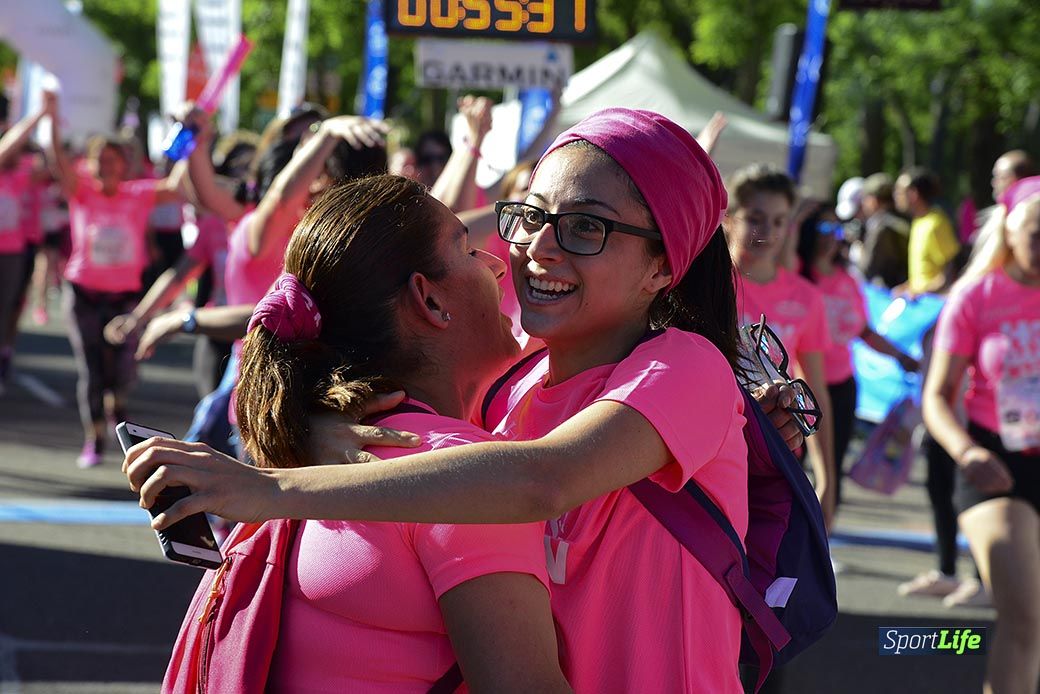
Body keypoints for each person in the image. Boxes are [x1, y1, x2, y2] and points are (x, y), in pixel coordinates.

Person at [127, 108, 770, 692]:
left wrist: (274, 488)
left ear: (663, 266)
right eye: (532, 216)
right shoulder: (514, 385)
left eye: (585, 228)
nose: (537, 247)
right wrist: (320, 424)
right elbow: (429, 441)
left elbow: (543, 480)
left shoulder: (686, 366)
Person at [178, 175, 567, 691]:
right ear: (430, 301)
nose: (497, 264)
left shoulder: (317, 450)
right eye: (468, 250)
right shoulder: (460, 478)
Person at [922, 176, 1040, 694]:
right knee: (1024, 616)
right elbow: (936, 396)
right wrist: (966, 451)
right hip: (994, 464)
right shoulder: (976, 296)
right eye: (1037, 233)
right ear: (1009, 229)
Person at [44, 91, 187, 467]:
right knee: (92, 370)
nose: (105, 165)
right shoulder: (81, 193)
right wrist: (52, 117)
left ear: (124, 164)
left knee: (122, 373)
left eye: (112, 159)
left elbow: (177, 186)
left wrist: (190, 140)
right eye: (99, 159)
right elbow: (56, 158)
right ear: (90, 164)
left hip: (124, 299)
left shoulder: (138, 194)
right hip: (84, 294)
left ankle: (117, 406)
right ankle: (94, 438)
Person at [722, 163, 836, 528]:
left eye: (778, 221)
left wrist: (827, 478)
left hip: (776, 456)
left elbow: (814, 390)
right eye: (755, 218)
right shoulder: (704, 286)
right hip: (711, 449)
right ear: (729, 218)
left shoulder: (806, 298)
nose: (768, 232)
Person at [795, 206, 919, 509]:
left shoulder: (847, 281)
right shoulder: (794, 276)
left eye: (837, 230)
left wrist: (901, 357)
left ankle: (824, 533)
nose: (831, 237)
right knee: (791, 470)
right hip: (797, 388)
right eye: (823, 229)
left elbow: (864, 331)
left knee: (830, 471)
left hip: (841, 388)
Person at [0, 104, 50, 390]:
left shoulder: (18, 179)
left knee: (9, 307)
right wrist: (38, 115)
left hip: (13, 253)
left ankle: (5, 353)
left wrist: (46, 141)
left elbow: (51, 169)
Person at [894, 167, 960, 296]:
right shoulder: (918, 222)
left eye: (900, 191)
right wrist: (908, 286)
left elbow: (950, 275)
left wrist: (920, 292)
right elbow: (925, 274)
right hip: (920, 304)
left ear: (913, 194)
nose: (895, 195)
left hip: (934, 305)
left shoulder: (936, 224)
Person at [845, 173, 910, 289]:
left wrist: (857, 246)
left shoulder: (880, 226)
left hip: (891, 292)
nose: (863, 203)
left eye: (865, 198)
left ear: (873, 200)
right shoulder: (904, 220)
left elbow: (867, 270)